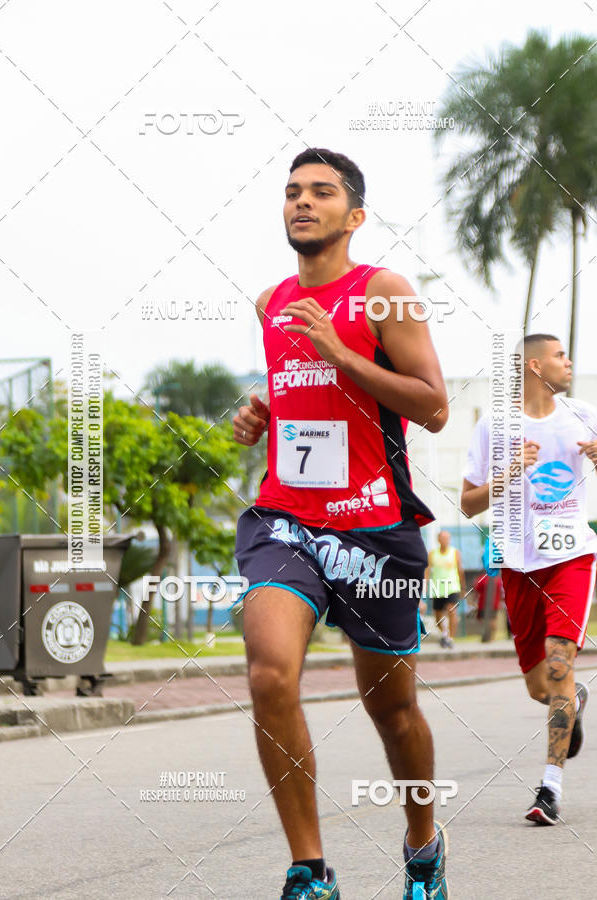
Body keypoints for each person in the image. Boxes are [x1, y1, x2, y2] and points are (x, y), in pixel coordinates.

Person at [233, 148, 450, 899]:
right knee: (268, 671)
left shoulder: (383, 294)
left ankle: (423, 841)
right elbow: (297, 398)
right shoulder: (270, 302)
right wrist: (260, 413)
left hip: (375, 530)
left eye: (321, 192)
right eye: (292, 191)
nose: (302, 202)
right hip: (287, 520)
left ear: (353, 216)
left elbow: (433, 406)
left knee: (393, 712)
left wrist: (340, 353)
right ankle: (310, 871)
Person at [461, 334, 596, 825]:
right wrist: (510, 472)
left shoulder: (582, 414)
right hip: (518, 564)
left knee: (559, 666)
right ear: (536, 366)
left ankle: (550, 789)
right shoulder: (494, 426)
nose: (570, 362)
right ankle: (572, 701)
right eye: (561, 356)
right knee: (542, 688)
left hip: (571, 557)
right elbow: (468, 503)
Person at [425, 530, 466, 648]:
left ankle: (451, 639)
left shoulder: (455, 552)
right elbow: (427, 571)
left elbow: (460, 570)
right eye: (443, 538)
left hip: (452, 587)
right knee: (437, 616)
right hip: (437, 588)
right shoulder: (432, 553)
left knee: (452, 611)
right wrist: (425, 584)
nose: (446, 540)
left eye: (448, 538)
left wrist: (463, 587)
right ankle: (445, 633)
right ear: (439, 540)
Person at [472, 572, 503, 642]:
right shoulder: (497, 579)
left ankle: (490, 636)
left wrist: (474, 601)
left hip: (484, 604)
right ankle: (491, 636)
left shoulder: (482, 579)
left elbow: (476, 591)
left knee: (489, 621)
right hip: (491, 604)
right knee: (492, 620)